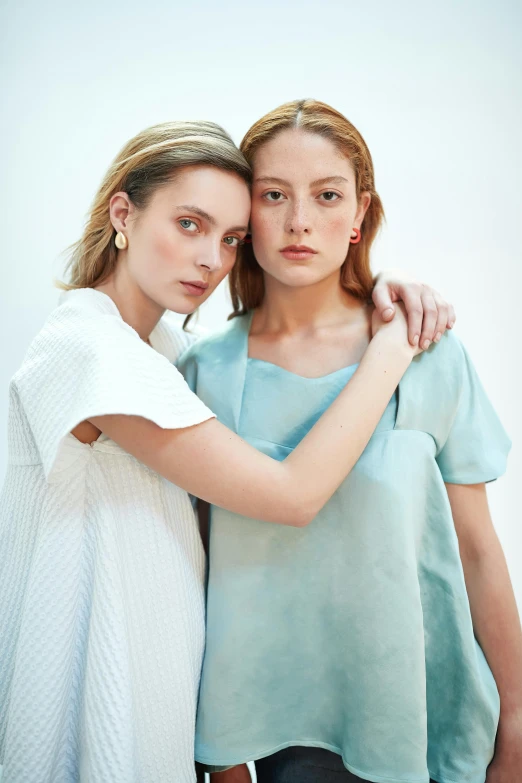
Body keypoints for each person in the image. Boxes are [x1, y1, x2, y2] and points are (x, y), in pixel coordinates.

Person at [0, 119, 452, 783]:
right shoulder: (90, 351)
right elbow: (291, 495)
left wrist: (381, 284)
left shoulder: (166, 355)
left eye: (231, 237)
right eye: (190, 223)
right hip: (89, 692)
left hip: (157, 687)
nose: (212, 258)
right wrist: (392, 346)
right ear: (122, 212)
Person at [178, 100, 522, 783]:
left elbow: (480, 550)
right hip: (269, 737)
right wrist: (217, 755)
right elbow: (195, 569)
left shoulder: (426, 351)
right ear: (247, 215)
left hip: (424, 719)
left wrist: (517, 715)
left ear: (359, 213)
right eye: (274, 195)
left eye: (326, 195)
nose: (299, 220)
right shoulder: (203, 370)